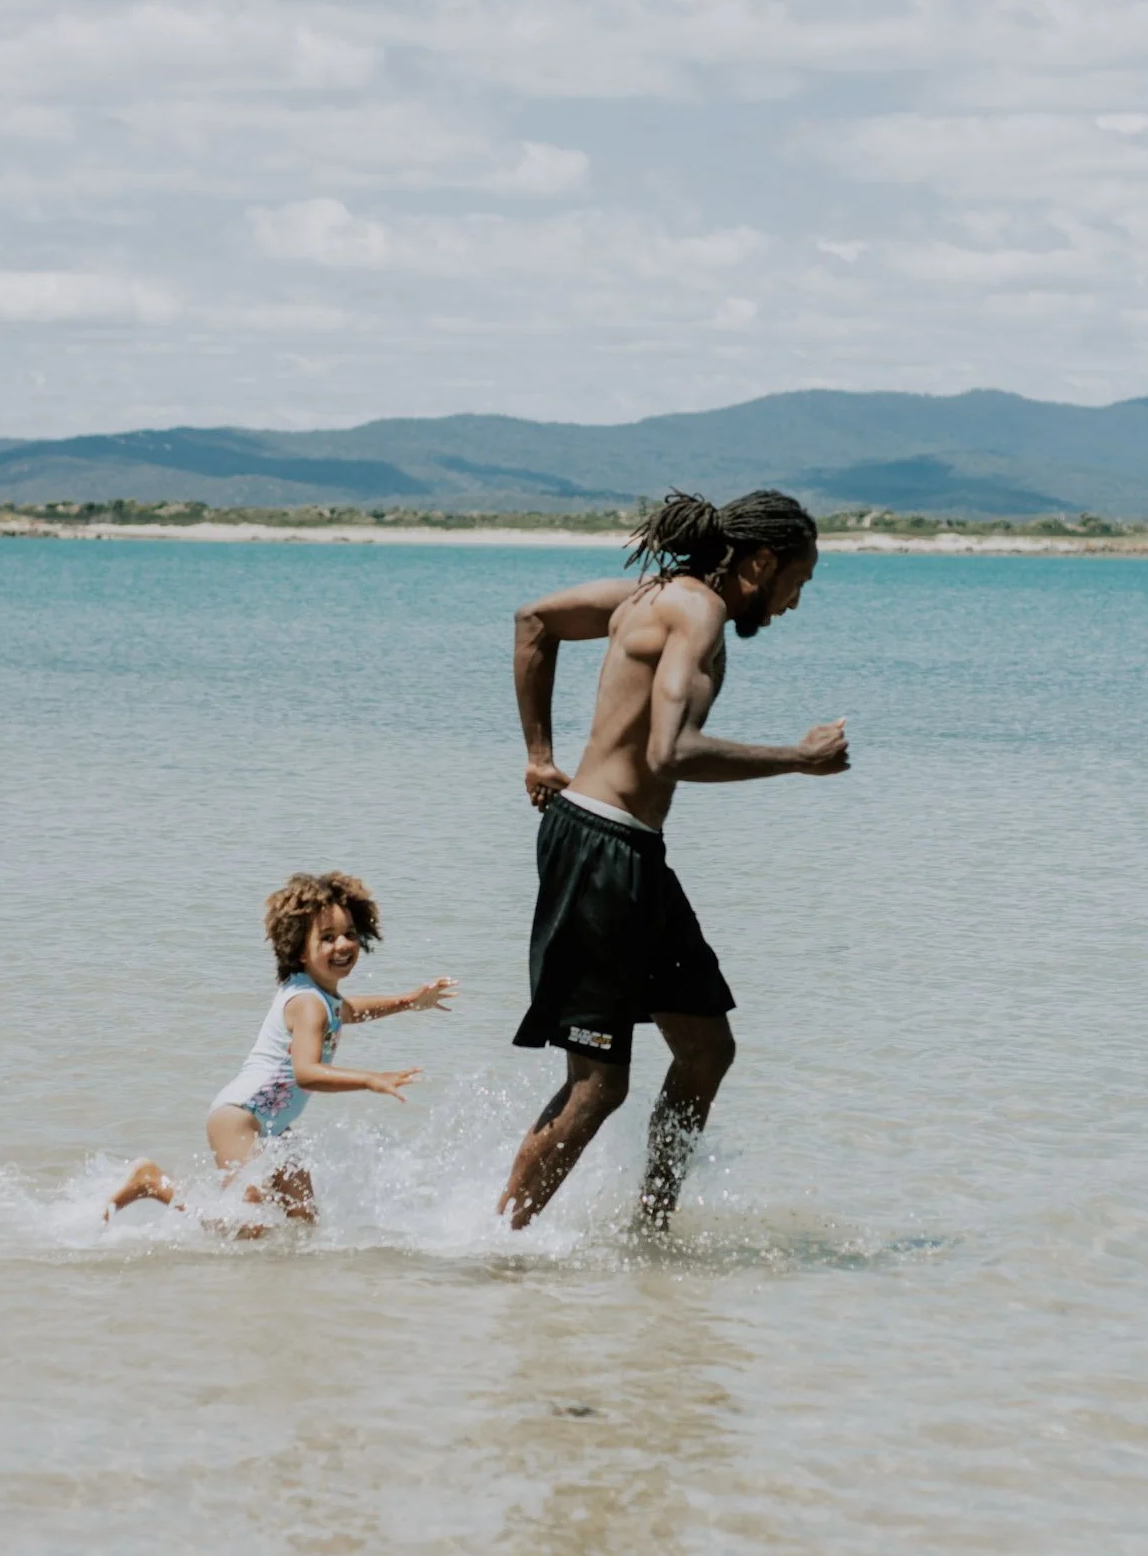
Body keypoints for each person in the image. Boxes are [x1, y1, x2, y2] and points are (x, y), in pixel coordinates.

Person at [498, 489, 850, 1233]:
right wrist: (798, 759)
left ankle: (649, 1227)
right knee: (598, 1086)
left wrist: (539, 755)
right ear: (759, 562)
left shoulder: (648, 595)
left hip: (628, 852)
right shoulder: (698, 611)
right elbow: (672, 750)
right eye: (798, 581)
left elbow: (535, 620)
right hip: (601, 850)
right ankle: (500, 1242)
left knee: (704, 1048)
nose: (793, 603)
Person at [106, 871, 456, 1233]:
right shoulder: (308, 1003)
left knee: (303, 1222)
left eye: (349, 934)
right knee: (245, 1225)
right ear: (299, 950)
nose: (343, 945)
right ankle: (152, 1182)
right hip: (240, 1117)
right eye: (327, 938)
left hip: (274, 1126)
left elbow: (352, 1011)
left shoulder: (320, 995)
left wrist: (409, 1001)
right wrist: (369, 1079)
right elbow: (306, 1072)